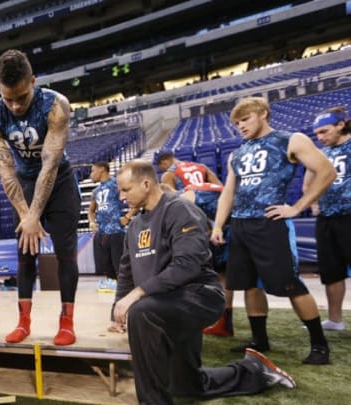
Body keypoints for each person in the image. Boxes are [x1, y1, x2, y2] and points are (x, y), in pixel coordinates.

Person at [110, 160, 296, 405]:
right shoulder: (134, 225)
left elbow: (187, 264)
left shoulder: (179, 209)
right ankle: (255, 371)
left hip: (200, 296)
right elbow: (126, 271)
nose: (122, 197)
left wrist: (137, 295)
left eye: (125, 190)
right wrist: (117, 309)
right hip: (167, 304)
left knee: (142, 313)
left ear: (146, 184)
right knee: (187, 387)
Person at [211, 97, 335, 364]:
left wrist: (297, 207)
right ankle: (260, 341)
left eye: (245, 119)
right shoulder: (238, 153)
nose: (240, 126)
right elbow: (228, 193)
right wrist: (219, 224)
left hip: (271, 224)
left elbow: (326, 171)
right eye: (236, 123)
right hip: (241, 226)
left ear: (263, 114)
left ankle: (319, 345)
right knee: (249, 286)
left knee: (290, 285)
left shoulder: (291, 139)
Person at [0, 49, 81, 345]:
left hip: (60, 181)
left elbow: (49, 165)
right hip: (23, 183)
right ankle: (23, 321)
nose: (14, 106)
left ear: (33, 82)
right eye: (7, 98)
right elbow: (6, 172)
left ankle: (67, 322)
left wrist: (34, 215)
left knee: (66, 253)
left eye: (21, 98)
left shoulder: (56, 105)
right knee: (25, 255)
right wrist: (26, 215)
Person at [304, 107, 351, 331]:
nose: (321, 137)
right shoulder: (322, 153)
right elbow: (308, 183)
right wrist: (314, 203)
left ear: (340, 125)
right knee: (331, 271)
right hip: (327, 219)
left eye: (324, 131)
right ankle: (335, 320)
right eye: (318, 134)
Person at [178, 182, 236, 337]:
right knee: (224, 276)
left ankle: (216, 320)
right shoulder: (201, 187)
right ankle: (224, 323)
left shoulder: (185, 196)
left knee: (198, 274)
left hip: (224, 229)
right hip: (236, 222)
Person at [87, 162, 128, 291]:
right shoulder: (96, 191)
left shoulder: (117, 184)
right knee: (105, 264)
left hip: (116, 231)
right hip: (102, 232)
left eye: (93, 171)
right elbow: (91, 211)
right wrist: (92, 222)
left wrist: (128, 216)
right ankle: (112, 286)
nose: (91, 174)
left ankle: (125, 288)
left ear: (102, 170)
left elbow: (135, 198)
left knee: (119, 264)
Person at [156, 151, 222, 190]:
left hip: (189, 209)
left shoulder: (168, 174)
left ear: (164, 162)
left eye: (162, 169)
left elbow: (171, 200)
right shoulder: (202, 166)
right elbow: (219, 187)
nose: (164, 171)